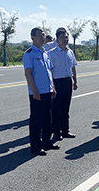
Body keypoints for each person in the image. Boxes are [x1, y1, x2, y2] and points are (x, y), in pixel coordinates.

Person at [23, 27, 57, 156]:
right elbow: (28, 73)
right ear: (32, 37)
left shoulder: (45, 53)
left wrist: (53, 87)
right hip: (37, 92)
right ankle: (36, 146)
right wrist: (34, 91)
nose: (43, 37)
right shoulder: (29, 53)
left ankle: (47, 142)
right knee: (36, 120)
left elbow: (49, 72)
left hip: (48, 90)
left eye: (43, 35)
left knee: (48, 118)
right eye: (40, 35)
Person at [45, 27, 78, 142]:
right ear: (57, 39)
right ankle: (56, 132)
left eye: (67, 37)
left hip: (67, 81)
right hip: (57, 82)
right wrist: (53, 86)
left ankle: (65, 130)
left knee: (65, 108)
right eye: (63, 37)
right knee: (56, 109)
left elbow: (73, 67)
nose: (65, 39)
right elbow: (49, 71)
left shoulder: (70, 52)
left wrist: (75, 80)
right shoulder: (52, 53)